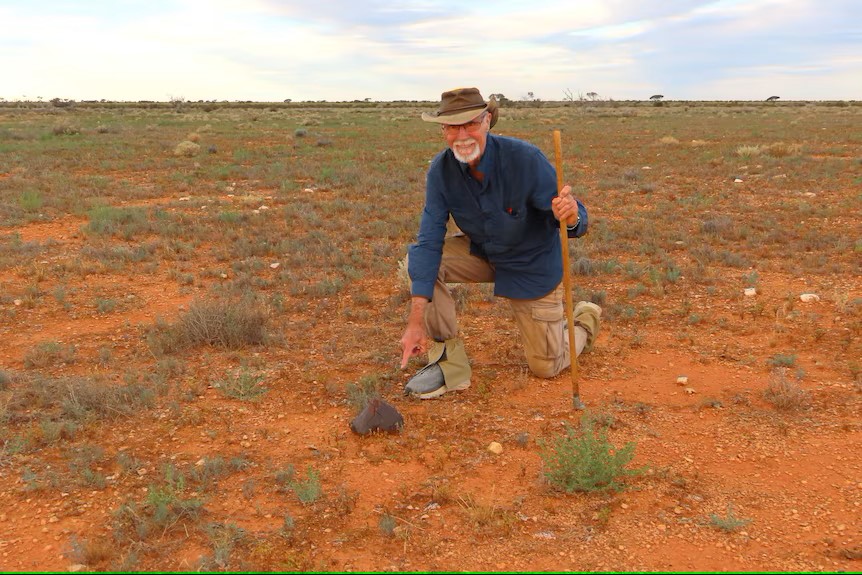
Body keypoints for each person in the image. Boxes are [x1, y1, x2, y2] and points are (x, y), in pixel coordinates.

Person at [399, 87, 602, 399]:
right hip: (483, 253)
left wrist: (570, 215)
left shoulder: (525, 159)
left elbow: (573, 221)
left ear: (487, 121)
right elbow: (428, 241)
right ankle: (449, 364)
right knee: (419, 262)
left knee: (546, 366)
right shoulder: (441, 171)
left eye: (470, 124)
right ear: (443, 131)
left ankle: (584, 320)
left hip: (531, 265)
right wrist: (416, 322)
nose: (461, 136)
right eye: (452, 127)